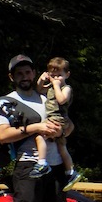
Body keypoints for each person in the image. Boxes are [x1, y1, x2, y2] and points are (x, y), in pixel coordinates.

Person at [0, 54, 74, 202]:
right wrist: (35, 128)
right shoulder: (6, 102)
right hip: (28, 165)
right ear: (12, 77)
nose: (24, 76)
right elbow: (2, 135)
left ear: (34, 73)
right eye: (19, 73)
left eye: (28, 72)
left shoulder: (46, 96)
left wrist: (63, 129)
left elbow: (70, 126)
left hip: (56, 165)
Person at [30, 57, 82, 190]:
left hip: (58, 119)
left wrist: (56, 85)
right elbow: (39, 90)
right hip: (55, 118)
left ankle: (41, 163)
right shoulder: (52, 86)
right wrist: (42, 80)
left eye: (59, 75)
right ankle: (70, 172)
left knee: (39, 135)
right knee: (61, 146)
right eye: (53, 75)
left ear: (67, 75)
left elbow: (61, 100)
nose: (55, 78)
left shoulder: (65, 88)